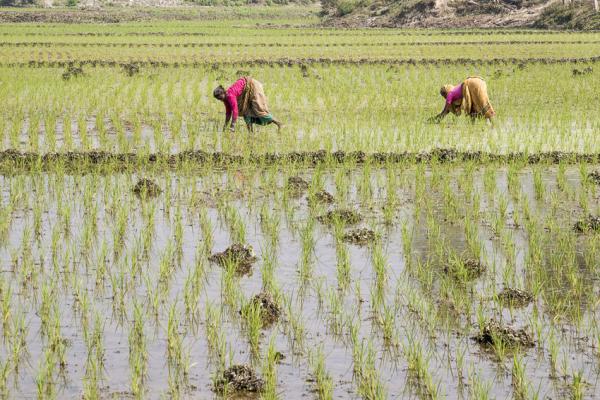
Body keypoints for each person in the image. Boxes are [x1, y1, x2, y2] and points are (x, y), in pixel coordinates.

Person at [213, 77, 282, 133]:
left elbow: (235, 110)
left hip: (252, 85)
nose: (220, 100)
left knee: (258, 109)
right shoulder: (225, 100)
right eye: (218, 99)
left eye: (220, 97)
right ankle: (251, 133)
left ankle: (278, 123)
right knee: (245, 112)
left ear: (224, 93)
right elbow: (228, 113)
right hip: (245, 92)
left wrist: (232, 125)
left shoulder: (230, 96)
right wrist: (225, 127)